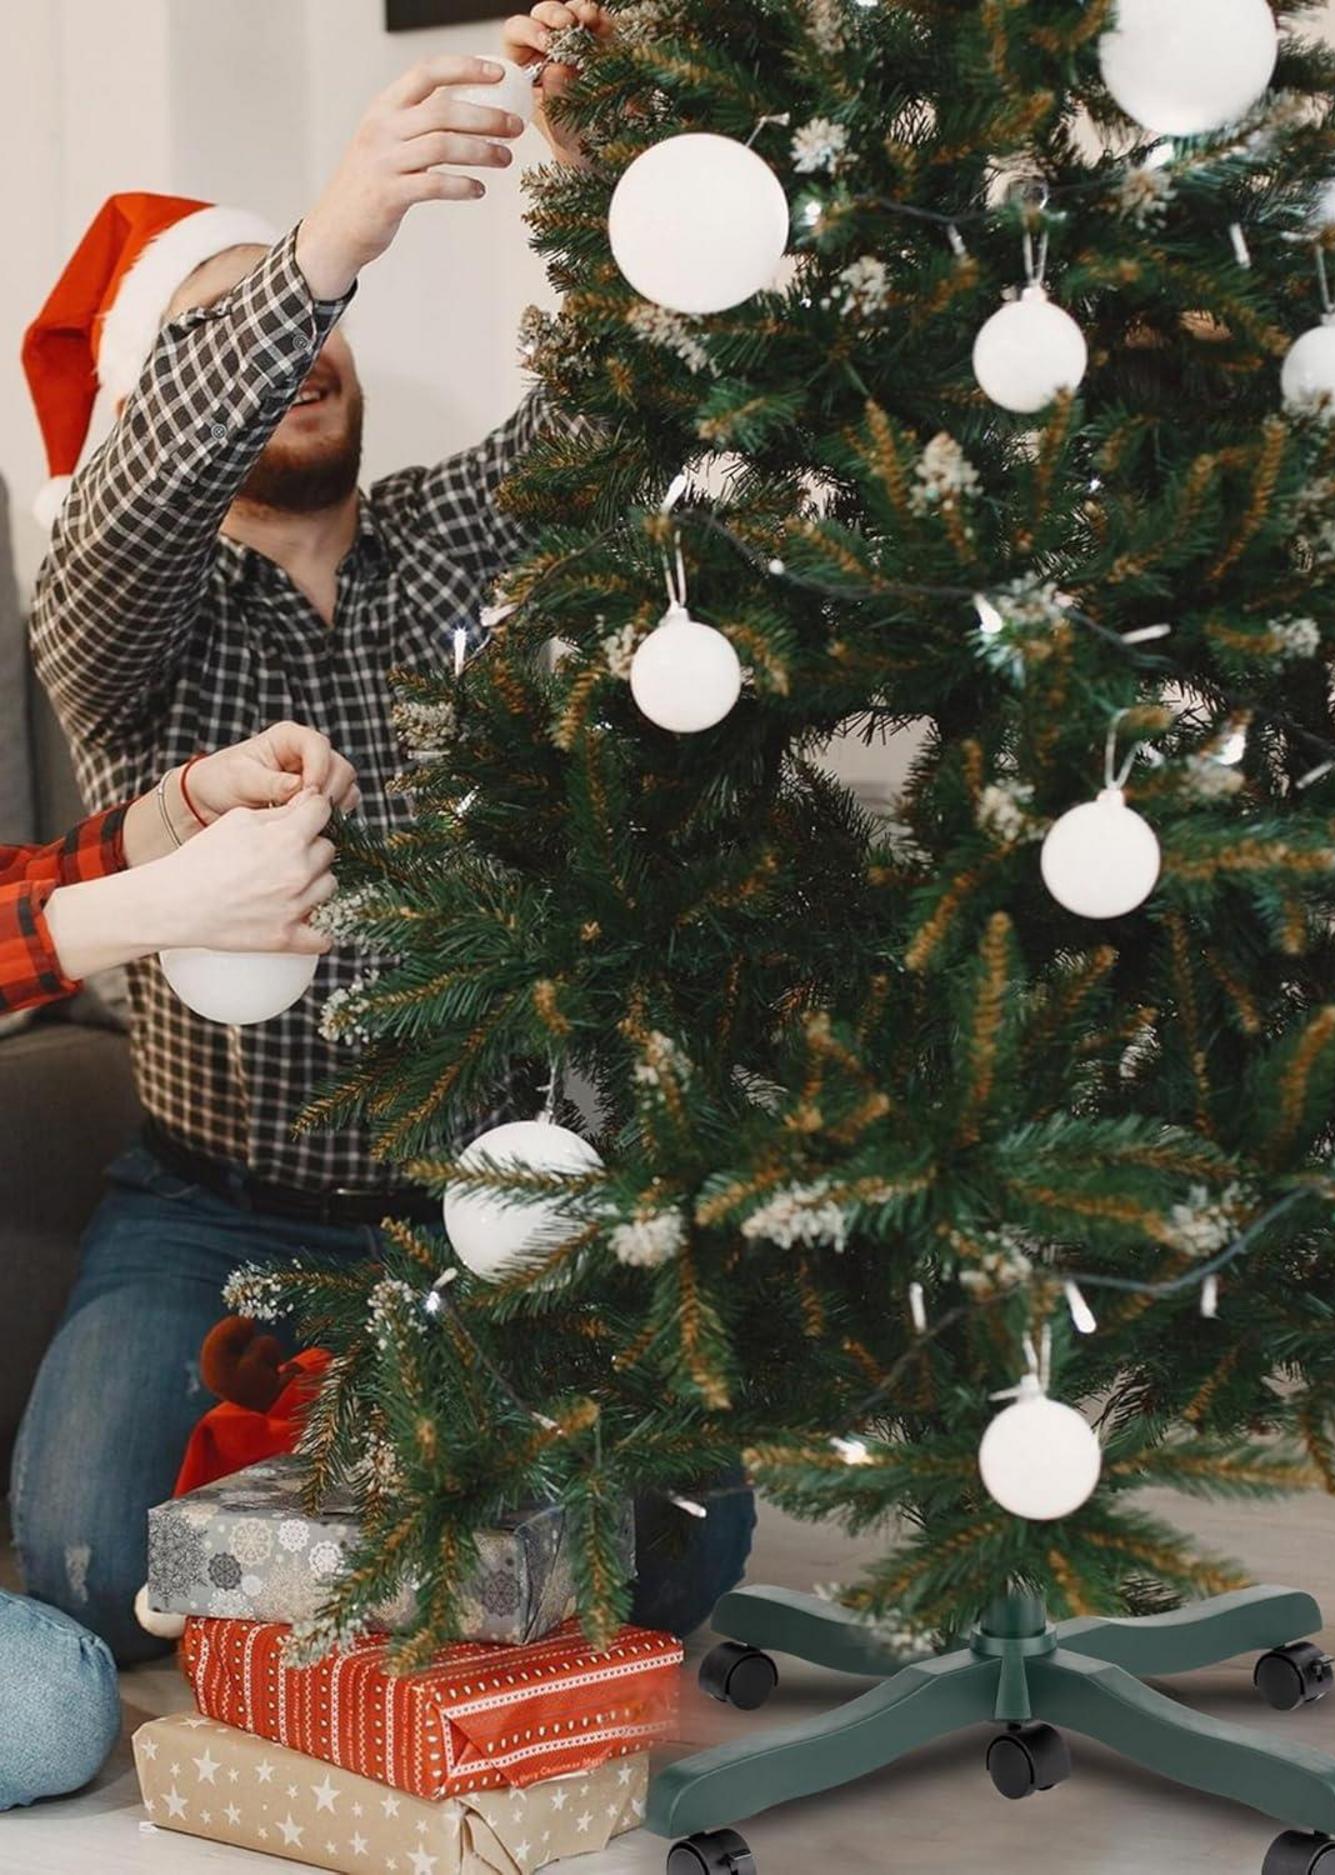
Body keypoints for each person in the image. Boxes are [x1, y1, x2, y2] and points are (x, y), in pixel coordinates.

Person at [18, 2, 752, 1663]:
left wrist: (593, 163)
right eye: (229, 339)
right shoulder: (122, 626)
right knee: (78, 1566)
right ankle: (339, 1485)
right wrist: (326, 240)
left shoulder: (454, 535)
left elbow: (626, 386)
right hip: (211, 1206)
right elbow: (123, 513)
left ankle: (366, 1491)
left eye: (301, 328)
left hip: (484, 1196)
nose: (296, 355)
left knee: (684, 1554)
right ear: (171, 401)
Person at [0, 721, 349, 1808]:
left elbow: (28, 887)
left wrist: (180, 811)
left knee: (51, 1708)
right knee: (61, 1682)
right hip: (199, 1195)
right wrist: (165, 908)